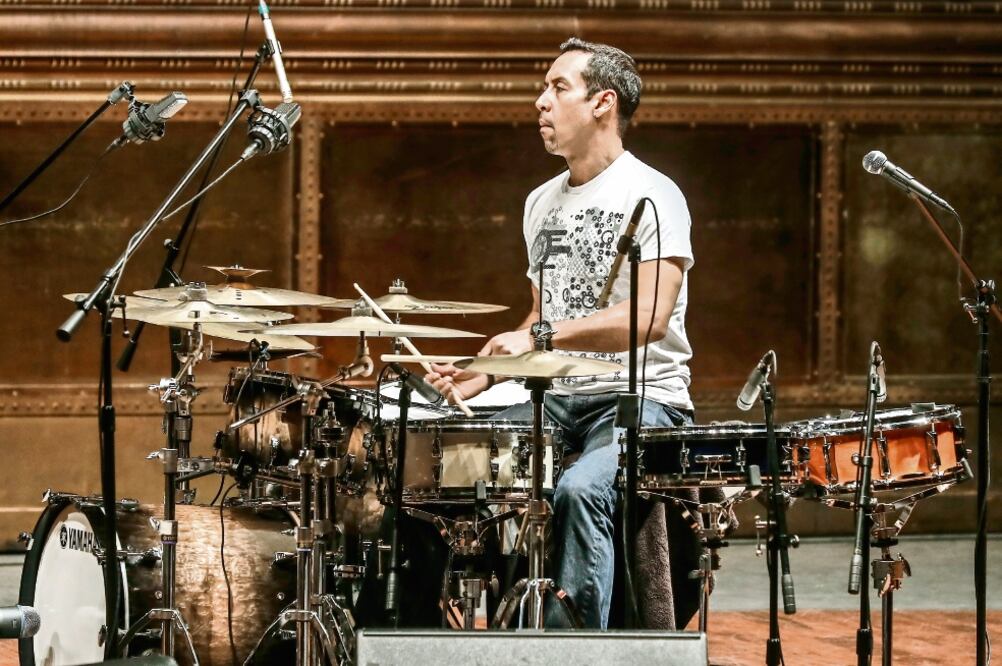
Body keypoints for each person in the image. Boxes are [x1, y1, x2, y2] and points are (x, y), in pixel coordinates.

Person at [427, 37, 696, 630]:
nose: (540, 102)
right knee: (439, 460)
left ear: (603, 102)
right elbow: (541, 315)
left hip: (643, 400)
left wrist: (541, 336)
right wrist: (483, 373)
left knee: (579, 491)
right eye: (543, 88)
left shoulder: (653, 195)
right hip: (556, 398)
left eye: (558, 87)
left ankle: (571, 650)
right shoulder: (539, 203)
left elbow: (650, 316)